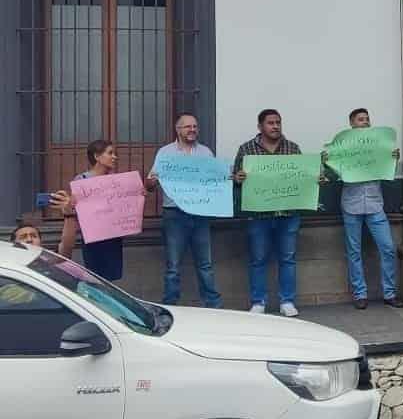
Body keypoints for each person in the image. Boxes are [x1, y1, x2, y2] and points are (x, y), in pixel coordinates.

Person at [144, 113, 223, 308]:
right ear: (178, 130)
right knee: (173, 266)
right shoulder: (165, 153)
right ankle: (171, 305)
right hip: (175, 213)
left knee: (205, 264)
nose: (192, 130)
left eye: (195, 126)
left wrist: (225, 179)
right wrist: (151, 182)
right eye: (188, 127)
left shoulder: (205, 153)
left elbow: (214, 180)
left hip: (200, 213)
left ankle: (213, 304)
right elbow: (150, 184)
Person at [233, 109, 306, 317]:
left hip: (288, 214)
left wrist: (314, 179)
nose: (275, 126)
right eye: (270, 123)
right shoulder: (246, 149)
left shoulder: (292, 148)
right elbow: (236, 179)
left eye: (278, 122)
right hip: (259, 215)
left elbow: (301, 178)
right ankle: (258, 301)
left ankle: (287, 301)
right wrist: (238, 178)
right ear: (260, 127)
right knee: (258, 259)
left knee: (288, 259)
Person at [338, 108, 403, 310]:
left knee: (388, 249)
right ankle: (360, 294)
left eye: (367, 119)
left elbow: (387, 173)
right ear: (351, 123)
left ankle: (390, 293)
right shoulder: (343, 146)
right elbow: (334, 175)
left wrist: (392, 158)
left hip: (375, 203)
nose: (365, 122)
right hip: (351, 203)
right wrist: (328, 162)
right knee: (354, 251)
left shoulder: (379, 144)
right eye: (360, 119)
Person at [67, 140, 130, 281]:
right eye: (110, 153)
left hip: (113, 238)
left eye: (114, 153)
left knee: (111, 280)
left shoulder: (117, 181)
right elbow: (75, 209)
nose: (115, 157)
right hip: (93, 239)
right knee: (95, 278)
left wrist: (136, 195)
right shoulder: (81, 180)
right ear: (97, 156)